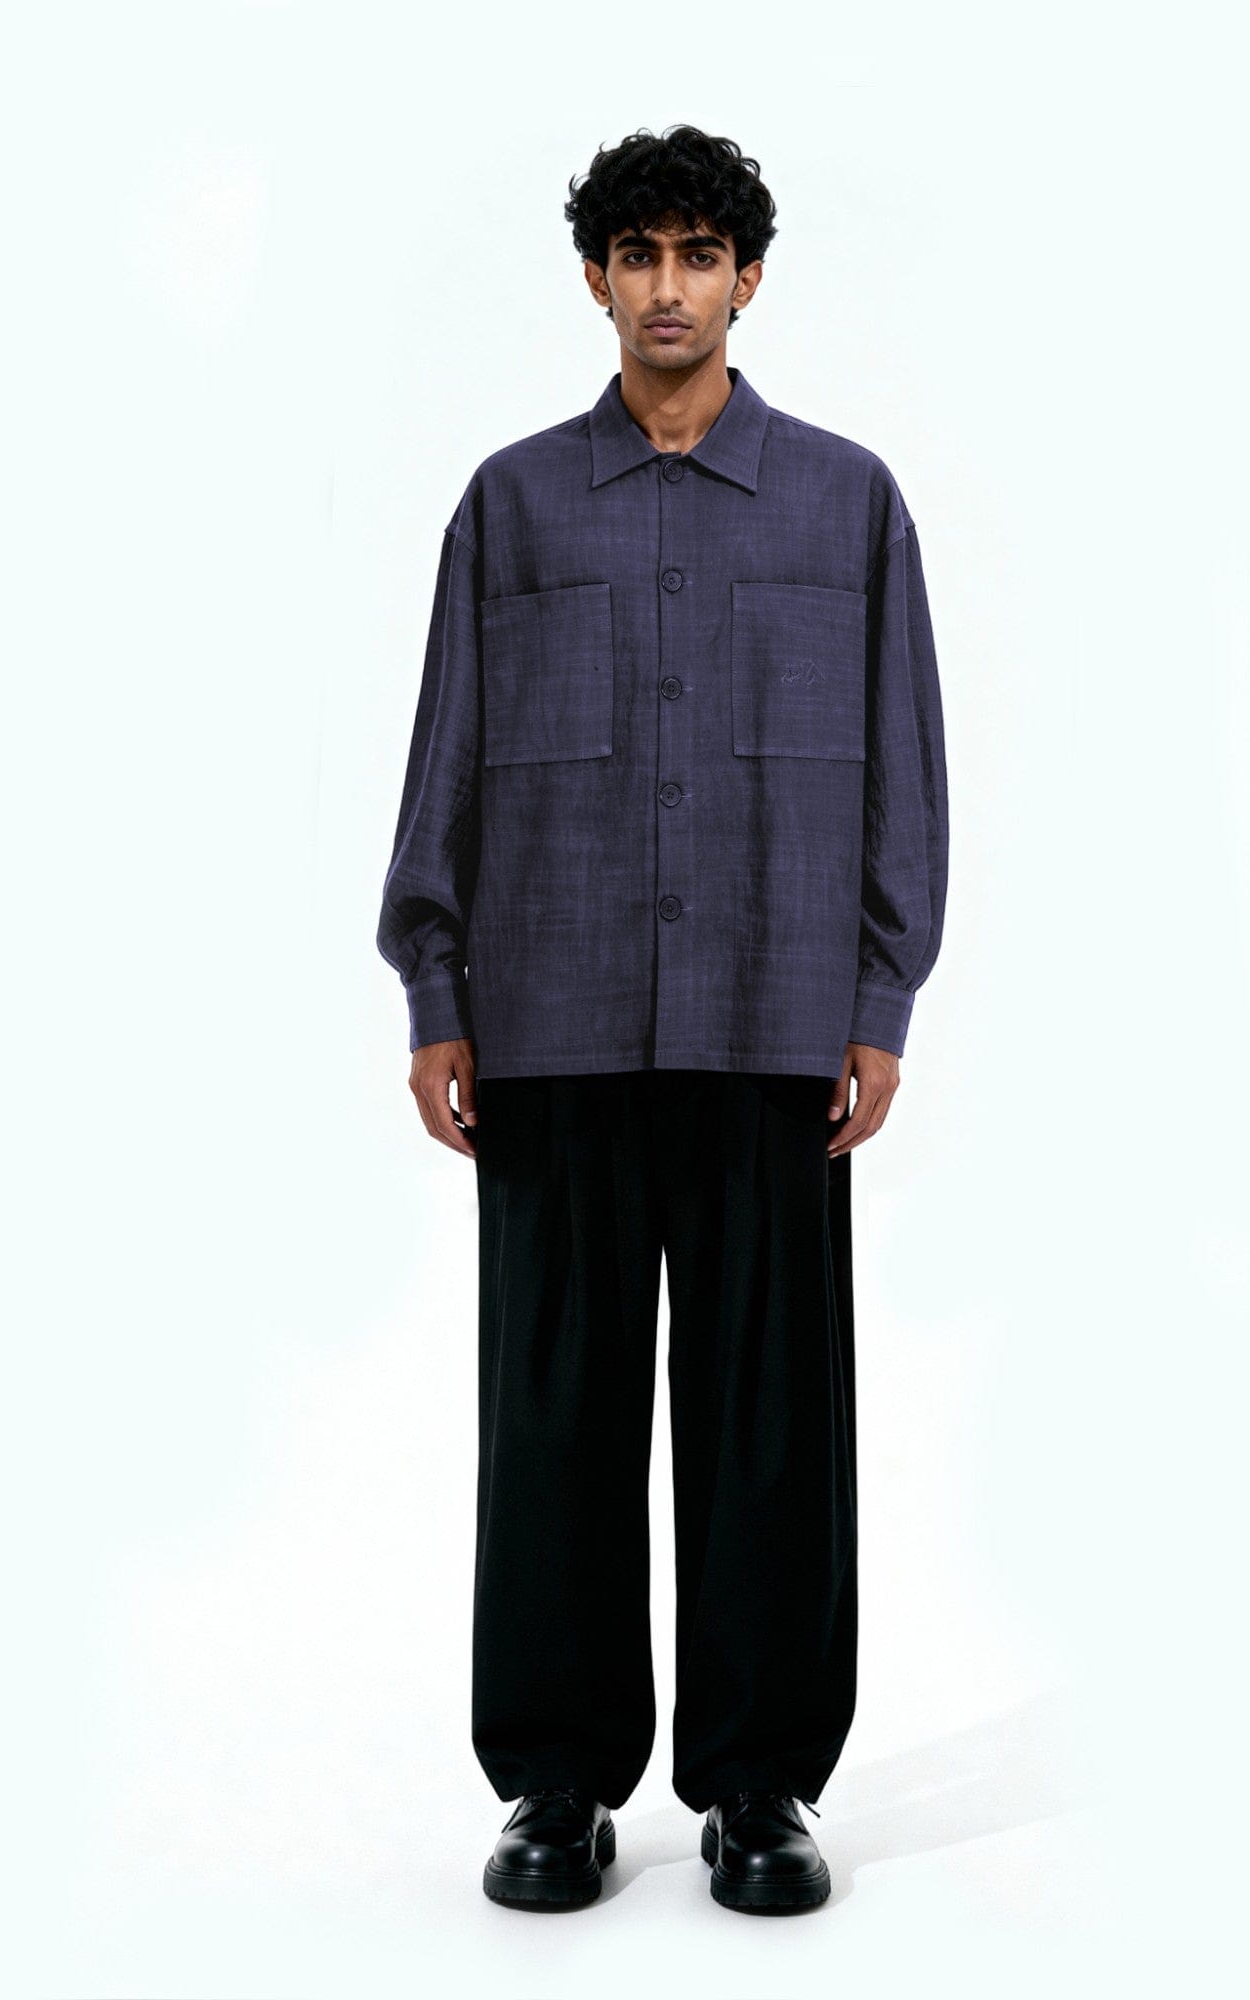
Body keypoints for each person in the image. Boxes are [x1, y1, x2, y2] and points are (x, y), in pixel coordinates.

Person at [376, 122, 949, 1915]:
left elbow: (906, 768)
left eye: (703, 253)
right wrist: (435, 987)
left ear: (749, 279)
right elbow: (449, 750)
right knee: (553, 1414)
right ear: (598, 279)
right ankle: (556, 1784)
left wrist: (881, 993)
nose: (671, 286)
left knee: (772, 1417)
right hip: (552, 1025)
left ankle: (761, 1785)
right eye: (640, 254)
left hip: (776, 1018)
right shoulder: (513, 505)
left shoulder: (848, 504)